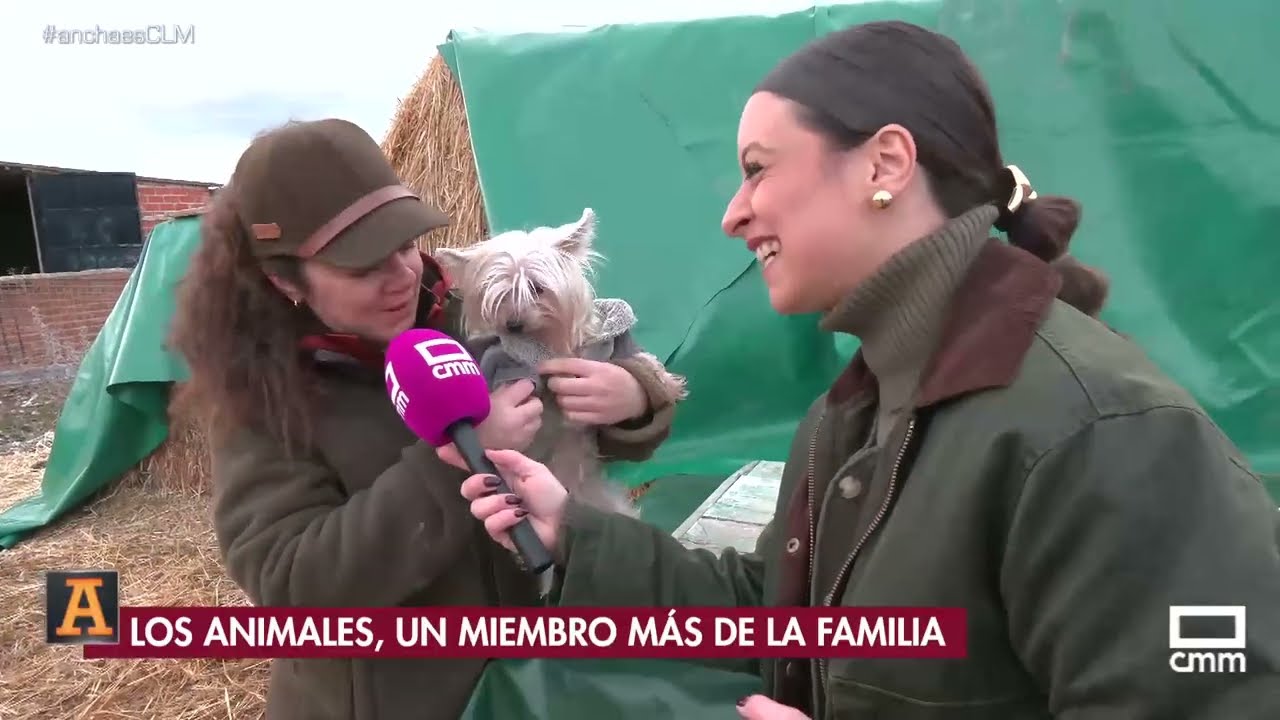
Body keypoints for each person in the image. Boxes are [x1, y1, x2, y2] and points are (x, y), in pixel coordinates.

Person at [441, 20, 1280, 720]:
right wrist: (574, 534)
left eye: (757, 167)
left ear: (884, 165)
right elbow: (777, 613)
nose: (734, 212)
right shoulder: (855, 414)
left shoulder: (1104, 435)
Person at [167, 118, 681, 720]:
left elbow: (593, 419)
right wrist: (457, 461)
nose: (404, 276)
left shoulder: (474, 315)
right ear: (286, 282)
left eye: (406, 245)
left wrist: (635, 398)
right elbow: (293, 585)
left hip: (532, 683)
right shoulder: (266, 397)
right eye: (363, 268)